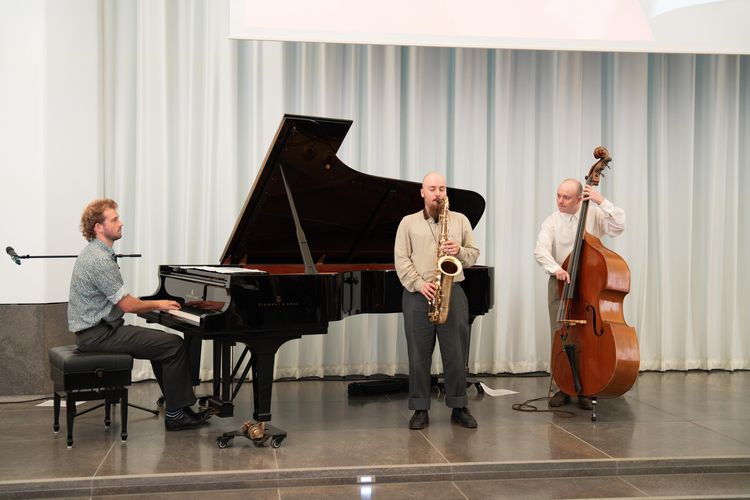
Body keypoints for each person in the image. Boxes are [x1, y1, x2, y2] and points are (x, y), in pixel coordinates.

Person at [67, 198, 211, 431]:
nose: (121, 223)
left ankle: (177, 406)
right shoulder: (100, 259)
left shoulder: (94, 253)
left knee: (162, 345)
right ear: (98, 227)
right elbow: (129, 306)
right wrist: (161, 304)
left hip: (98, 331)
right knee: (173, 345)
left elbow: (125, 302)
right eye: (114, 219)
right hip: (98, 335)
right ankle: (176, 414)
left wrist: (154, 304)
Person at [394, 172, 481, 430]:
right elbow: (401, 260)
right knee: (419, 355)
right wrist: (420, 284)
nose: (437, 193)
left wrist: (459, 251)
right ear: (422, 192)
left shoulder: (460, 220)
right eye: (432, 188)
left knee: (455, 353)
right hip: (418, 294)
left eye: (442, 188)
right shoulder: (407, 223)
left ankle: (459, 406)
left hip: (453, 291)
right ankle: (420, 408)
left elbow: (473, 255)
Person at [533, 179, 626, 410]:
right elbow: (540, 250)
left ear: (578, 199)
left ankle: (587, 387)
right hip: (561, 283)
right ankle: (562, 387)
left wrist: (602, 201)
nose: (560, 201)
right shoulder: (552, 221)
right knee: (561, 335)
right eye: (558, 196)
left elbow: (619, 225)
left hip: (590, 285)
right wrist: (557, 270)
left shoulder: (593, 214)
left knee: (587, 337)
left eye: (566, 197)